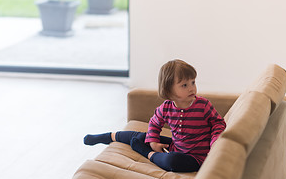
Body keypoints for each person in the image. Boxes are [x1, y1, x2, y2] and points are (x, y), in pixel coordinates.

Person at [84, 59, 226, 172]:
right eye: (184, 85)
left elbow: (218, 123)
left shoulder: (203, 105)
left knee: (173, 161)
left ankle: (147, 153)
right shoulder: (166, 108)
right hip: (176, 145)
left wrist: (215, 141)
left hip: (197, 158)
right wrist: (153, 142)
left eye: (193, 82)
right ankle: (108, 136)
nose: (192, 88)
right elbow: (154, 124)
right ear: (169, 90)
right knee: (141, 136)